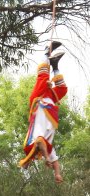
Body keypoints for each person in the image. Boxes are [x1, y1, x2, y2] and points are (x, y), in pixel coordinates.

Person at [19, 41, 68, 183]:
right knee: (62, 90)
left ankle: (46, 52)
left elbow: (40, 142)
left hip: (39, 101)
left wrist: (46, 158)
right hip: (50, 105)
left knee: (43, 77)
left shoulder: (32, 143)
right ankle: (55, 65)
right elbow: (56, 161)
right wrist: (57, 174)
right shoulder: (49, 147)